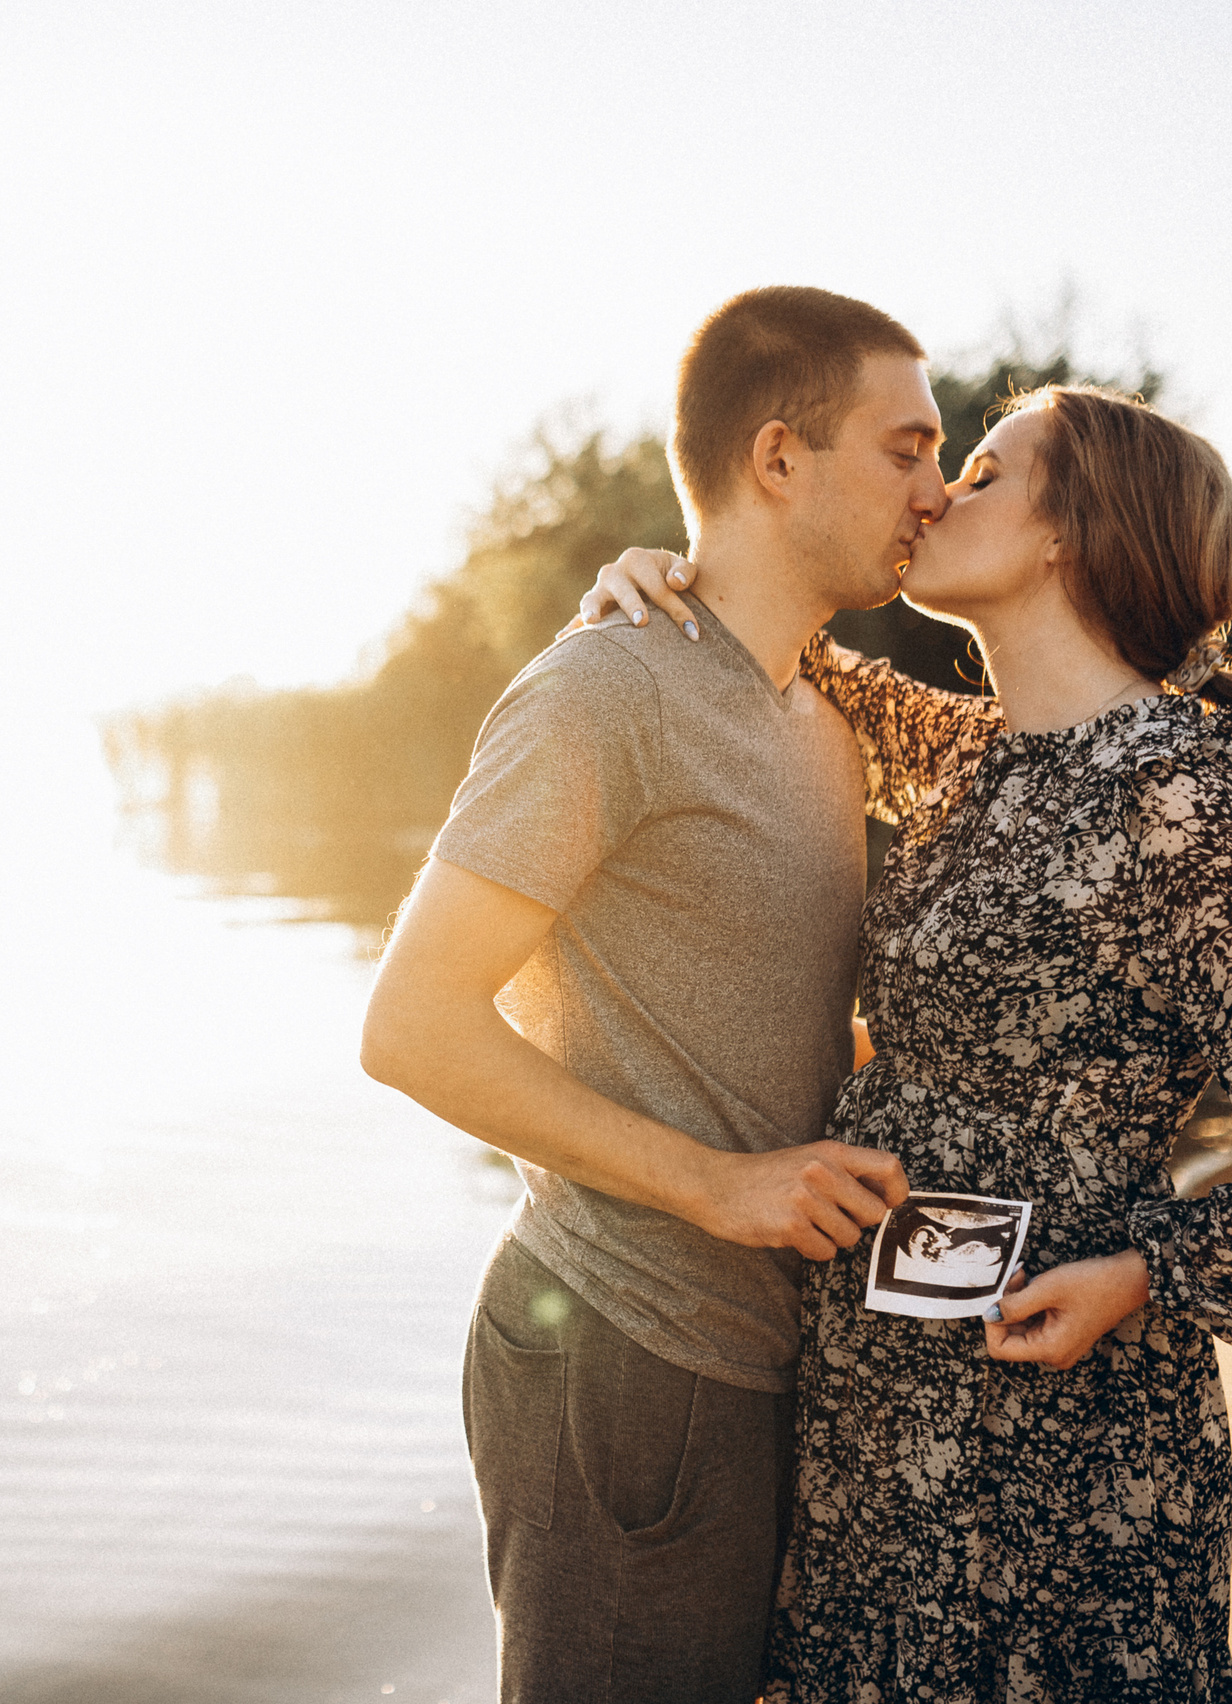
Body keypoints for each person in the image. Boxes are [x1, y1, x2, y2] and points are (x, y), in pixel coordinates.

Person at [577, 384, 1232, 1700]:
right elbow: (799, 654)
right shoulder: (979, 755)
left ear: (1069, 536)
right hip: (883, 1386)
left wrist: (1145, 1269)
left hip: (1059, 1405)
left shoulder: (1176, 791)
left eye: (982, 473)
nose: (935, 493)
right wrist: (679, 577)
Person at [358, 284, 947, 1703]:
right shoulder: (601, 692)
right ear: (778, 459)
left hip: (760, 1359)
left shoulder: (828, 725)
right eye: (908, 448)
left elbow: (765, 1013)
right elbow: (409, 1026)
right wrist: (716, 1186)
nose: (935, 489)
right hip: (622, 1353)